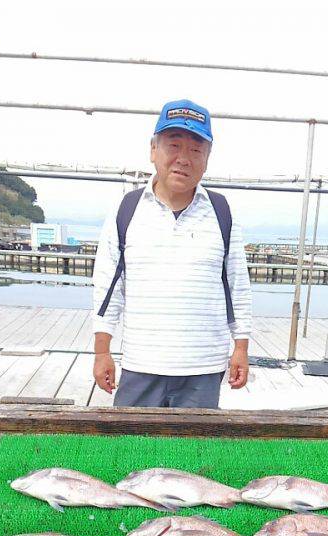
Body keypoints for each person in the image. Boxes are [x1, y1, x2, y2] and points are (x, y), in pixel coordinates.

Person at [93, 99, 252, 408]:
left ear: (207, 158)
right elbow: (107, 288)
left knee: (194, 454)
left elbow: (237, 285)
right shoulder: (126, 210)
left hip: (204, 370)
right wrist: (102, 352)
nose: (183, 159)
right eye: (173, 146)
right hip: (140, 365)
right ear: (154, 150)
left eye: (195, 150)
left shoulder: (222, 212)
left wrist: (241, 347)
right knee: (130, 451)